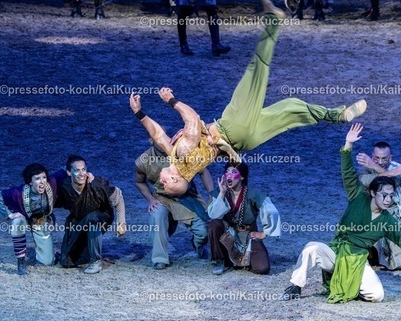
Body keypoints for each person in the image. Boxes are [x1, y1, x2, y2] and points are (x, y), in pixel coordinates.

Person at [129, 0, 367, 196]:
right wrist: (172, 101)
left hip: (245, 141)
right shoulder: (182, 154)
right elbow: (192, 119)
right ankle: (273, 22)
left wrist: (140, 114)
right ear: (173, 179)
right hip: (232, 126)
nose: (158, 179)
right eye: (162, 183)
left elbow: (158, 136)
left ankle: (337, 115)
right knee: (256, 72)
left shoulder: (178, 160)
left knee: (292, 107)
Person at [282, 124, 401, 304]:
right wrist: (348, 144)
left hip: (357, 260)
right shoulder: (357, 196)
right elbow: (347, 173)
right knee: (311, 248)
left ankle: (347, 281)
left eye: (390, 196)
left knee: (377, 295)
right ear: (372, 193)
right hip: (337, 252)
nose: (388, 200)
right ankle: (295, 285)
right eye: (384, 195)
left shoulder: (387, 220)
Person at [135, 139, 213, 270]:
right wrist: (150, 199)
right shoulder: (143, 160)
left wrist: (212, 194)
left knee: (203, 230)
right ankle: (160, 258)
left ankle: (198, 245)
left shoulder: (181, 152)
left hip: (186, 197)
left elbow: (203, 171)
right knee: (156, 216)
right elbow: (139, 182)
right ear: (151, 140)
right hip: (162, 198)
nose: (164, 140)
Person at [356, 141, 401, 270]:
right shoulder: (364, 169)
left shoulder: (398, 167)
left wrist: (375, 167)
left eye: (384, 159)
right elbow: (368, 181)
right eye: (376, 158)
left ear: (390, 157)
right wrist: (388, 171)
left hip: (393, 211)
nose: (380, 162)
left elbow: (393, 182)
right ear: (372, 156)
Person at [56, 155, 126, 274]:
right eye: (77, 170)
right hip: (80, 219)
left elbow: (118, 196)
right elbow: (52, 201)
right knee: (67, 260)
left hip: (101, 217)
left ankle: (96, 261)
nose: (81, 174)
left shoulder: (96, 185)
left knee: (92, 221)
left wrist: (121, 222)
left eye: (83, 169)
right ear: (69, 172)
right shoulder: (65, 188)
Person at [207, 163, 281, 275]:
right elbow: (214, 215)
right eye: (227, 172)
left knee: (262, 268)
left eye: (234, 172)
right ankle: (220, 260)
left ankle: (239, 261)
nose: (229, 175)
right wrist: (222, 193)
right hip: (228, 234)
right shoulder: (219, 192)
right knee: (214, 224)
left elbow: (271, 211)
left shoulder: (253, 194)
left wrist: (265, 233)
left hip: (248, 236)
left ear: (242, 177)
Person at [0, 164, 66, 275]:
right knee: (17, 223)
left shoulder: (52, 182)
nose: (42, 181)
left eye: (44, 177)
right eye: (37, 179)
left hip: (40, 221)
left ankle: (45, 253)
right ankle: (21, 262)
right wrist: (9, 214)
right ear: (30, 182)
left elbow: (68, 168)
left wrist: (88, 174)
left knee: (47, 261)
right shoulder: (19, 192)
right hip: (24, 218)